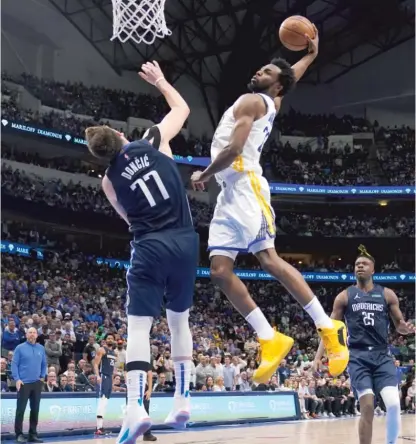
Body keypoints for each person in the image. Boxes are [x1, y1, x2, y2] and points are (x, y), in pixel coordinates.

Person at [190, 26, 348, 383]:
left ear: (275, 85)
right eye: (260, 69)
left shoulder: (250, 102)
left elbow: (232, 151)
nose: (258, 72)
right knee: (219, 271)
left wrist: (203, 173)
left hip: (245, 185)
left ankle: (328, 328)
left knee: (269, 259)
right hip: (229, 193)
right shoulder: (271, 102)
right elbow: (292, 78)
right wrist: (310, 55)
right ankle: (269, 337)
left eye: (266, 72)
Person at [85, 60, 198, 444]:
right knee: (179, 320)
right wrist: (162, 81)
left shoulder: (108, 182)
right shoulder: (152, 138)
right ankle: (182, 399)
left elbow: (127, 218)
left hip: (149, 245)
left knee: (139, 327)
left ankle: (135, 408)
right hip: (185, 240)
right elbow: (182, 110)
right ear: (120, 134)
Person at [313, 245, 415, 444]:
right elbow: (329, 329)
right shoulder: (344, 296)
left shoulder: (387, 294)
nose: (360, 266)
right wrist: (318, 357)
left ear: (373, 270)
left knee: (394, 404)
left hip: (382, 355)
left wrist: (407, 329)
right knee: (367, 407)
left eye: (364, 264)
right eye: (357, 264)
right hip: (358, 357)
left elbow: (399, 327)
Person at [11, 327, 46, 443]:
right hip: (23, 383)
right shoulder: (20, 348)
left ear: (37, 335)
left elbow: (44, 364)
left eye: (34, 332)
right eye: (30, 332)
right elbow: (14, 364)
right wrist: (17, 379)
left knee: (35, 410)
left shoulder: (41, 348)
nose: (32, 334)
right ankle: (19, 434)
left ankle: (33, 434)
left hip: (37, 383)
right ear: (26, 335)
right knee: (21, 409)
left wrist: (42, 376)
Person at [93, 333, 117, 435]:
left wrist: (112, 381)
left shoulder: (114, 353)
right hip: (103, 375)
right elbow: (95, 364)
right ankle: (98, 427)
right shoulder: (102, 350)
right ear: (105, 340)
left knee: (105, 401)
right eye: (108, 338)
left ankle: (101, 426)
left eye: (112, 338)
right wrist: (98, 376)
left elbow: (112, 368)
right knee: (102, 400)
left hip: (109, 377)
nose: (110, 339)